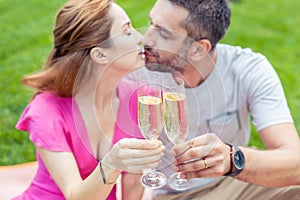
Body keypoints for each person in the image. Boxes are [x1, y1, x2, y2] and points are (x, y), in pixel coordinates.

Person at [121, 0, 300, 199]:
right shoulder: (137, 73)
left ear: (198, 49)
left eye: (163, 34)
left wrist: (232, 159)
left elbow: (295, 162)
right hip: (176, 193)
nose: (146, 38)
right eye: (151, 23)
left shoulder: (247, 69)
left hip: (237, 182)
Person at [13, 0, 165, 199]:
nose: (141, 37)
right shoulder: (47, 111)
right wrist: (112, 163)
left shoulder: (142, 99)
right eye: (127, 31)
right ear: (100, 55)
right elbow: (75, 196)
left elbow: (133, 182)